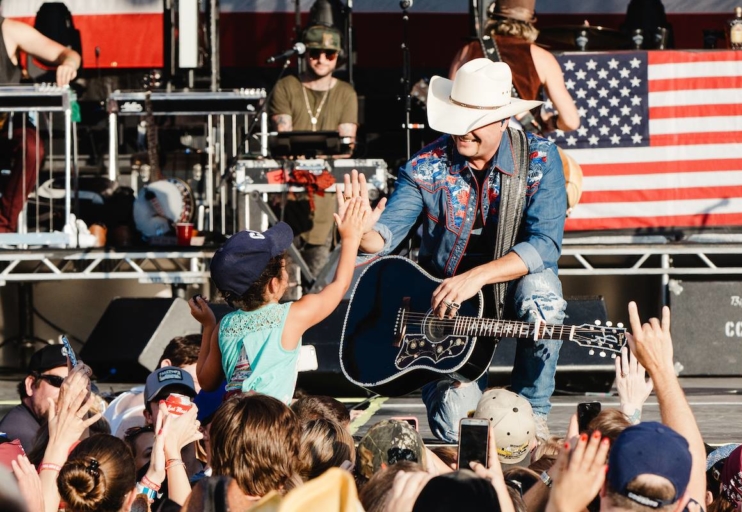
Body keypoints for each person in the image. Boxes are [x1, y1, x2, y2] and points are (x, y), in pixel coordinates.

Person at [341, 57, 568, 443]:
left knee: (544, 296)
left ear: (502, 121)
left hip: (507, 286)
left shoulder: (541, 160)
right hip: (444, 309)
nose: (460, 132)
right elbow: (386, 234)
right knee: (458, 431)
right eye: (455, 117)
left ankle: (535, 411)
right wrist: (360, 234)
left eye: (473, 122)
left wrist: (475, 277)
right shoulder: (424, 167)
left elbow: (544, 245)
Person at [189, 195, 367, 402]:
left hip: (231, 425)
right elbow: (340, 285)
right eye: (285, 267)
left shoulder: (223, 326)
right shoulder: (292, 316)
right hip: (272, 426)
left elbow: (206, 382)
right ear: (274, 284)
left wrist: (208, 326)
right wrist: (351, 238)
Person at [268, 24, 358, 277]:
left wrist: (308, 154)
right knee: (281, 281)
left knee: (320, 280)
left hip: (326, 204)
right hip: (287, 198)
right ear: (305, 54)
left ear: (337, 56)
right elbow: (285, 141)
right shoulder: (286, 86)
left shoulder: (345, 93)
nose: (321, 60)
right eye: (315, 53)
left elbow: (346, 146)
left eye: (328, 54)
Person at [448, 0, 579, 134]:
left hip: (473, 139)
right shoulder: (542, 57)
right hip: (519, 144)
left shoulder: (468, 50)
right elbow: (571, 121)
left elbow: (448, 105)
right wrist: (551, 122)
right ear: (530, 22)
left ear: (493, 18)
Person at [0, 15, 80, 233]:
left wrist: (69, 64)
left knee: (32, 148)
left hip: (6, 128)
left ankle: (3, 227)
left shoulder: (10, 31)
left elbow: (68, 54)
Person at [0, 345, 69, 452]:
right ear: (30, 384)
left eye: (75, 384)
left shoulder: (40, 427)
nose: (67, 392)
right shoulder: (19, 435)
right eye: (58, 381)